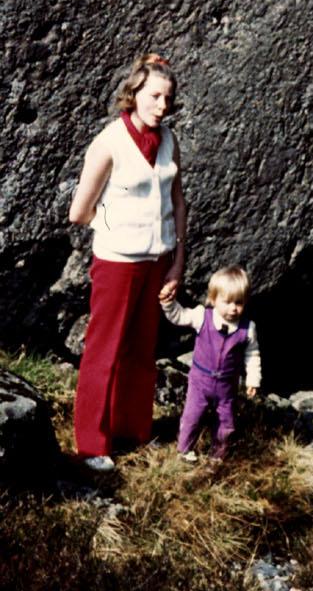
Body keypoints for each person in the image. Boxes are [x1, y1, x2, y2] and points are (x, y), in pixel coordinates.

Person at [69, 52, 187, 471]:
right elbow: (79, 211)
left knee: (141, 351)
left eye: (168, 98)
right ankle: (91, 445)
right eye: (155, 96)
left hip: (158, 262)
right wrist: (117, 228)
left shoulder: (169, 140)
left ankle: (133, 431)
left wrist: (177, 262)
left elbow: (178, 202)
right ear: (133, 93)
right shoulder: (109, 142)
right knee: (104, 350)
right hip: (117, 263)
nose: (162, 105)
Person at [161, 264, 261, 461]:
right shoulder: (202, 316)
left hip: (227, 385)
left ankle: (218, 455)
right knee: (192, 416)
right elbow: (179, 316)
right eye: (227, 302)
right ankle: (184, 450)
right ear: (213, 299)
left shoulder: (247, 329)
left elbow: (252, 354)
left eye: (239, 303)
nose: (233, 308)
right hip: (200, 381)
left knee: (226, 422)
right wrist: (168, 304)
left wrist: (253, 379)